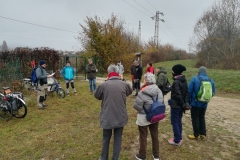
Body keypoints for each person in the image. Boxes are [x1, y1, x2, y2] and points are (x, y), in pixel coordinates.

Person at [94, 64, 132, 160]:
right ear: (118, 73)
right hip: (120, 116)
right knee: (118, 138)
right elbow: (129, 91)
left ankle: (103, 158)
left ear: (108, 73)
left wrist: (105, 81)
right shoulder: (124, 84)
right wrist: (123, 80)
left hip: (107, 117)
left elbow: (97, 95)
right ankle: (115, 158)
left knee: (106, 138)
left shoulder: (104, 85)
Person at [133, 72, 163, 160]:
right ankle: (156, 155)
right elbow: (161, 103)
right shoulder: (159, 90)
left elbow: (136, 106)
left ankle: (142, 155)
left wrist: (143, 111)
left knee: (143, 136)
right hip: (155, 116)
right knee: (155, 135)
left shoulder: (142, 92)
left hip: (143, 117)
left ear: (146, 80)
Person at [188, 66, 215, 140]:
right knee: (202, 117)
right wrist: (205, 99)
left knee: (195, 118)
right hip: (204, 103)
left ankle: (196, 134)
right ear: (206, 72)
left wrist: (188, 100)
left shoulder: (194, 78)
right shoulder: (211, 80)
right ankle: (203, 134)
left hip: (195, 103)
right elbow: (213, 92)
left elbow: (189, 91)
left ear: (199, 72)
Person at [168, 64, 189, 146]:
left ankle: (176, 140)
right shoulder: (184, 80)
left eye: (172, 71)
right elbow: (187, 93)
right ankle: (179, 137)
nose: (171, 72)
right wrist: (185, 103)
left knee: (175, 122)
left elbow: (178, 95)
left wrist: (183, 104)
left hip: (176, 106)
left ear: (175, 72)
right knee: (178, 121)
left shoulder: (176, 82)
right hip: (181, 106)